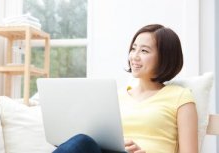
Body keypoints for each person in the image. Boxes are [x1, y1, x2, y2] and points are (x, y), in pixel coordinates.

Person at [53, 24, 198, 153]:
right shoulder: (114, 96)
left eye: (144, 51)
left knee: (81, 142)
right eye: (133, 49)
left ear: (165, 57)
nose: (134, 56)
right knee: (81, 141)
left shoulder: (180, 97)